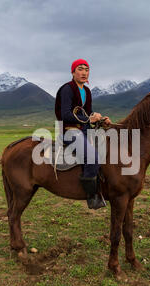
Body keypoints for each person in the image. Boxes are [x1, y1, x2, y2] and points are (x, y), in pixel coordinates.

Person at [54, 59, 111, 209]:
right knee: (92, 156)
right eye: (80, 69)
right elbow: (65, 114)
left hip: (85, 130)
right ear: (73, 72)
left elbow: (88, 112)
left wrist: (101, 118)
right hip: (70, 131)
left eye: (86, 69)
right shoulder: (67, 89)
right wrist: (88, 118)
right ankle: (92, 196)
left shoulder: (86, 91)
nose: (84, 72)